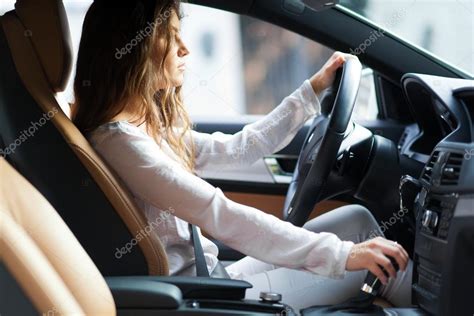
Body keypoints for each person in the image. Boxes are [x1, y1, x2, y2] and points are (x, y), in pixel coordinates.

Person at [71, 0, 412, 310]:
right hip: (200, 294)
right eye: (170, 36)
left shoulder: (144, 130)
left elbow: (239, 149)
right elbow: (220, 213)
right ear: (131, 48)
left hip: (211, 274)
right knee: (387, 268)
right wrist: (344, 255)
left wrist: (311, 91)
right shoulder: (123, 144)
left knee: (359, 221)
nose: (184, 48)